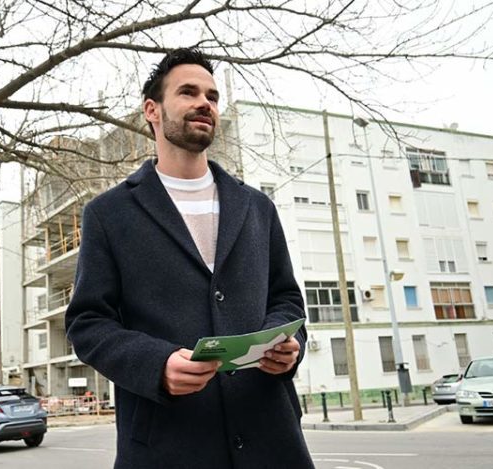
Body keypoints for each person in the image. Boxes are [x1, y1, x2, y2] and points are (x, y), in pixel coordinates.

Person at [65, 48, 314, 469]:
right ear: (153, 110)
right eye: (188, 92)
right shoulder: (108, 214)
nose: (205, 103)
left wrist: (286, 345)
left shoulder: (257, 207)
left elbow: (287, 300)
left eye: (213, 96)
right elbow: (88, 324)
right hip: (167, 444)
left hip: (271, 438)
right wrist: (156, 364)